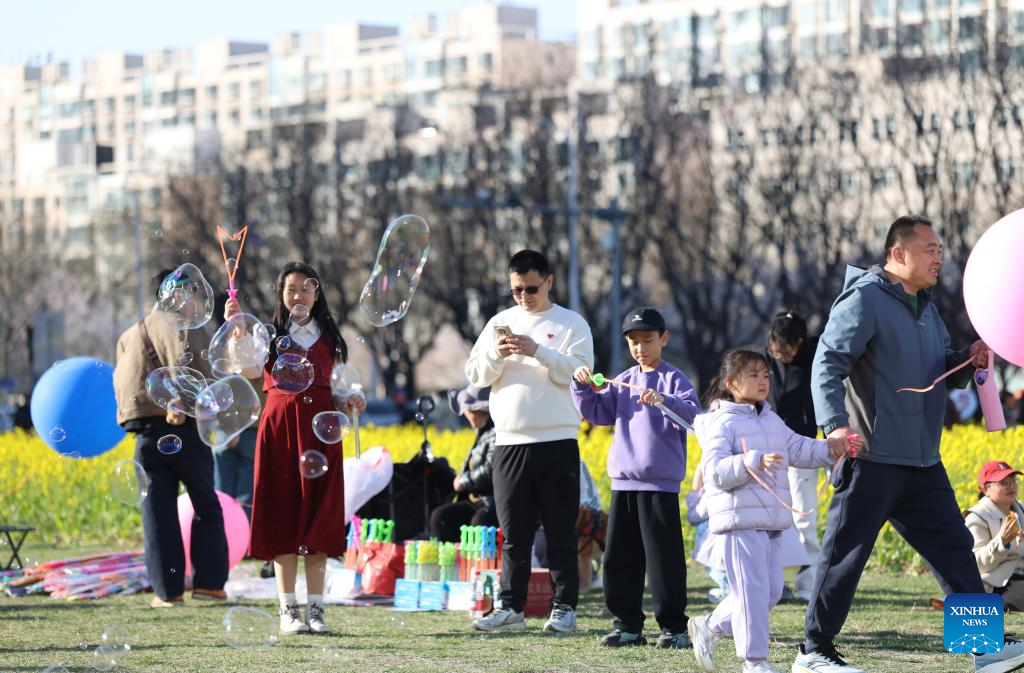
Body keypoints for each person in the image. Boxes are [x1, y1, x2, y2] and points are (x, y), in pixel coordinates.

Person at [793, 214, 1024, 673]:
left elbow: (936, 370)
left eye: (939, 249)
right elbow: (827, 364)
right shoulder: (863, 300)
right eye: (929, 249)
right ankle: (813, 651)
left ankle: (983, 647)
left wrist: (965, 360)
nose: (938, 257)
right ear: (898, 254)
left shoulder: (927, 308)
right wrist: (834, 425)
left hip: (922, 462)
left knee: (955, 551)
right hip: (871, 458)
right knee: (845, 557)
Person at [687, 347, 854, 673]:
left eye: (765, 374)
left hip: (772, 523)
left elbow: (799, 448)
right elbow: (715, 472)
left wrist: (832, 448)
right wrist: (751, 462)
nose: (764, 380)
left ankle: (709, 625)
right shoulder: (721, 422)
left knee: (771, 592)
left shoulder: (770, 418)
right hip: (739, 521)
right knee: (751, 594)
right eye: (754, 375)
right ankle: (755, 662)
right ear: (732, 383)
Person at [228, 262, 366, 636]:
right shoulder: (268, 334)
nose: (298, 295)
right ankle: (289, 610)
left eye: (306, 289)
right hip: (279, 431)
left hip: (322, 433)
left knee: (319, 518)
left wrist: (351, 398)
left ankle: (316, 610)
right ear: (281, 295)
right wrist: (237, 330)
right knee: (282, 515)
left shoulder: (330, 336)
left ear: (316, 294)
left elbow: (337, 385)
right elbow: (247, 368)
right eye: (291, 289)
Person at [465, 249, 594, 633]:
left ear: (549, 282)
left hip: (557, 440)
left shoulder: (572, 324)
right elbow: (475, 373)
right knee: (514, 533)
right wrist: (495, 354)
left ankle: (564, 607)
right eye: (516, 290)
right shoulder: (499, 323)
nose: (524, 297)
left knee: (559, 531)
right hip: (508, 443)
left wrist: (538, 351)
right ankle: (510, 606)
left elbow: (580, 374)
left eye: (531, 288)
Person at [570, 306, 700, 649]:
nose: (640, 347)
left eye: (648, 340)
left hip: (660, 486)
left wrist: (663, 401)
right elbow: (596, 412)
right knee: (619, 557)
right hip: (624, 484)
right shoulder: (624, 379)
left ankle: (674, 628)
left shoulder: (675, 379)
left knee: (664, 559)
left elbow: (693, 418)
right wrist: (581, 386)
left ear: (664, 339)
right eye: (633, 341)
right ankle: (627, 624)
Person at [113, 268, 228, 608]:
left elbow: (124, 388)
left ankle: (168, 592)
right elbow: (193, 372)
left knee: (157, 514)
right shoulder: (182, 326)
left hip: (145, 435)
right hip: (184, 427)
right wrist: (186, 406)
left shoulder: (129, 334)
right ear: (174, 293)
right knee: (206, 504)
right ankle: (209, 584)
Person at [764, 310, 820, 602]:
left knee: (803, 516)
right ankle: (776, 582)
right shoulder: (764, 359)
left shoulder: (816, 356)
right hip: (768, 448)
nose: (781, 357)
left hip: (803, 446)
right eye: (776, 351)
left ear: (800, 342)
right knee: (770, 518)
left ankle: (808, 584)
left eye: (786, 352)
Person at [429, 384, 498, 541]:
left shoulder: (495, 433)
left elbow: (490, 470)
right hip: (474, 501)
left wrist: (463, 481)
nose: (465, 415)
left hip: (490, 503)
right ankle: (454, 562)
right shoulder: (481, 433)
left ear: (479, 411)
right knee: (441, 517)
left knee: (479, 523)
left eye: (467, 410)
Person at [966, 461, 1024, 610]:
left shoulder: (1021, 510)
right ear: (986, 489)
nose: (1010, 485)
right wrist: (1001, 542)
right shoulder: (977, 517)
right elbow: (975, 565)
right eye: (1003, 482)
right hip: (998, 583)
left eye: (1013, 480)